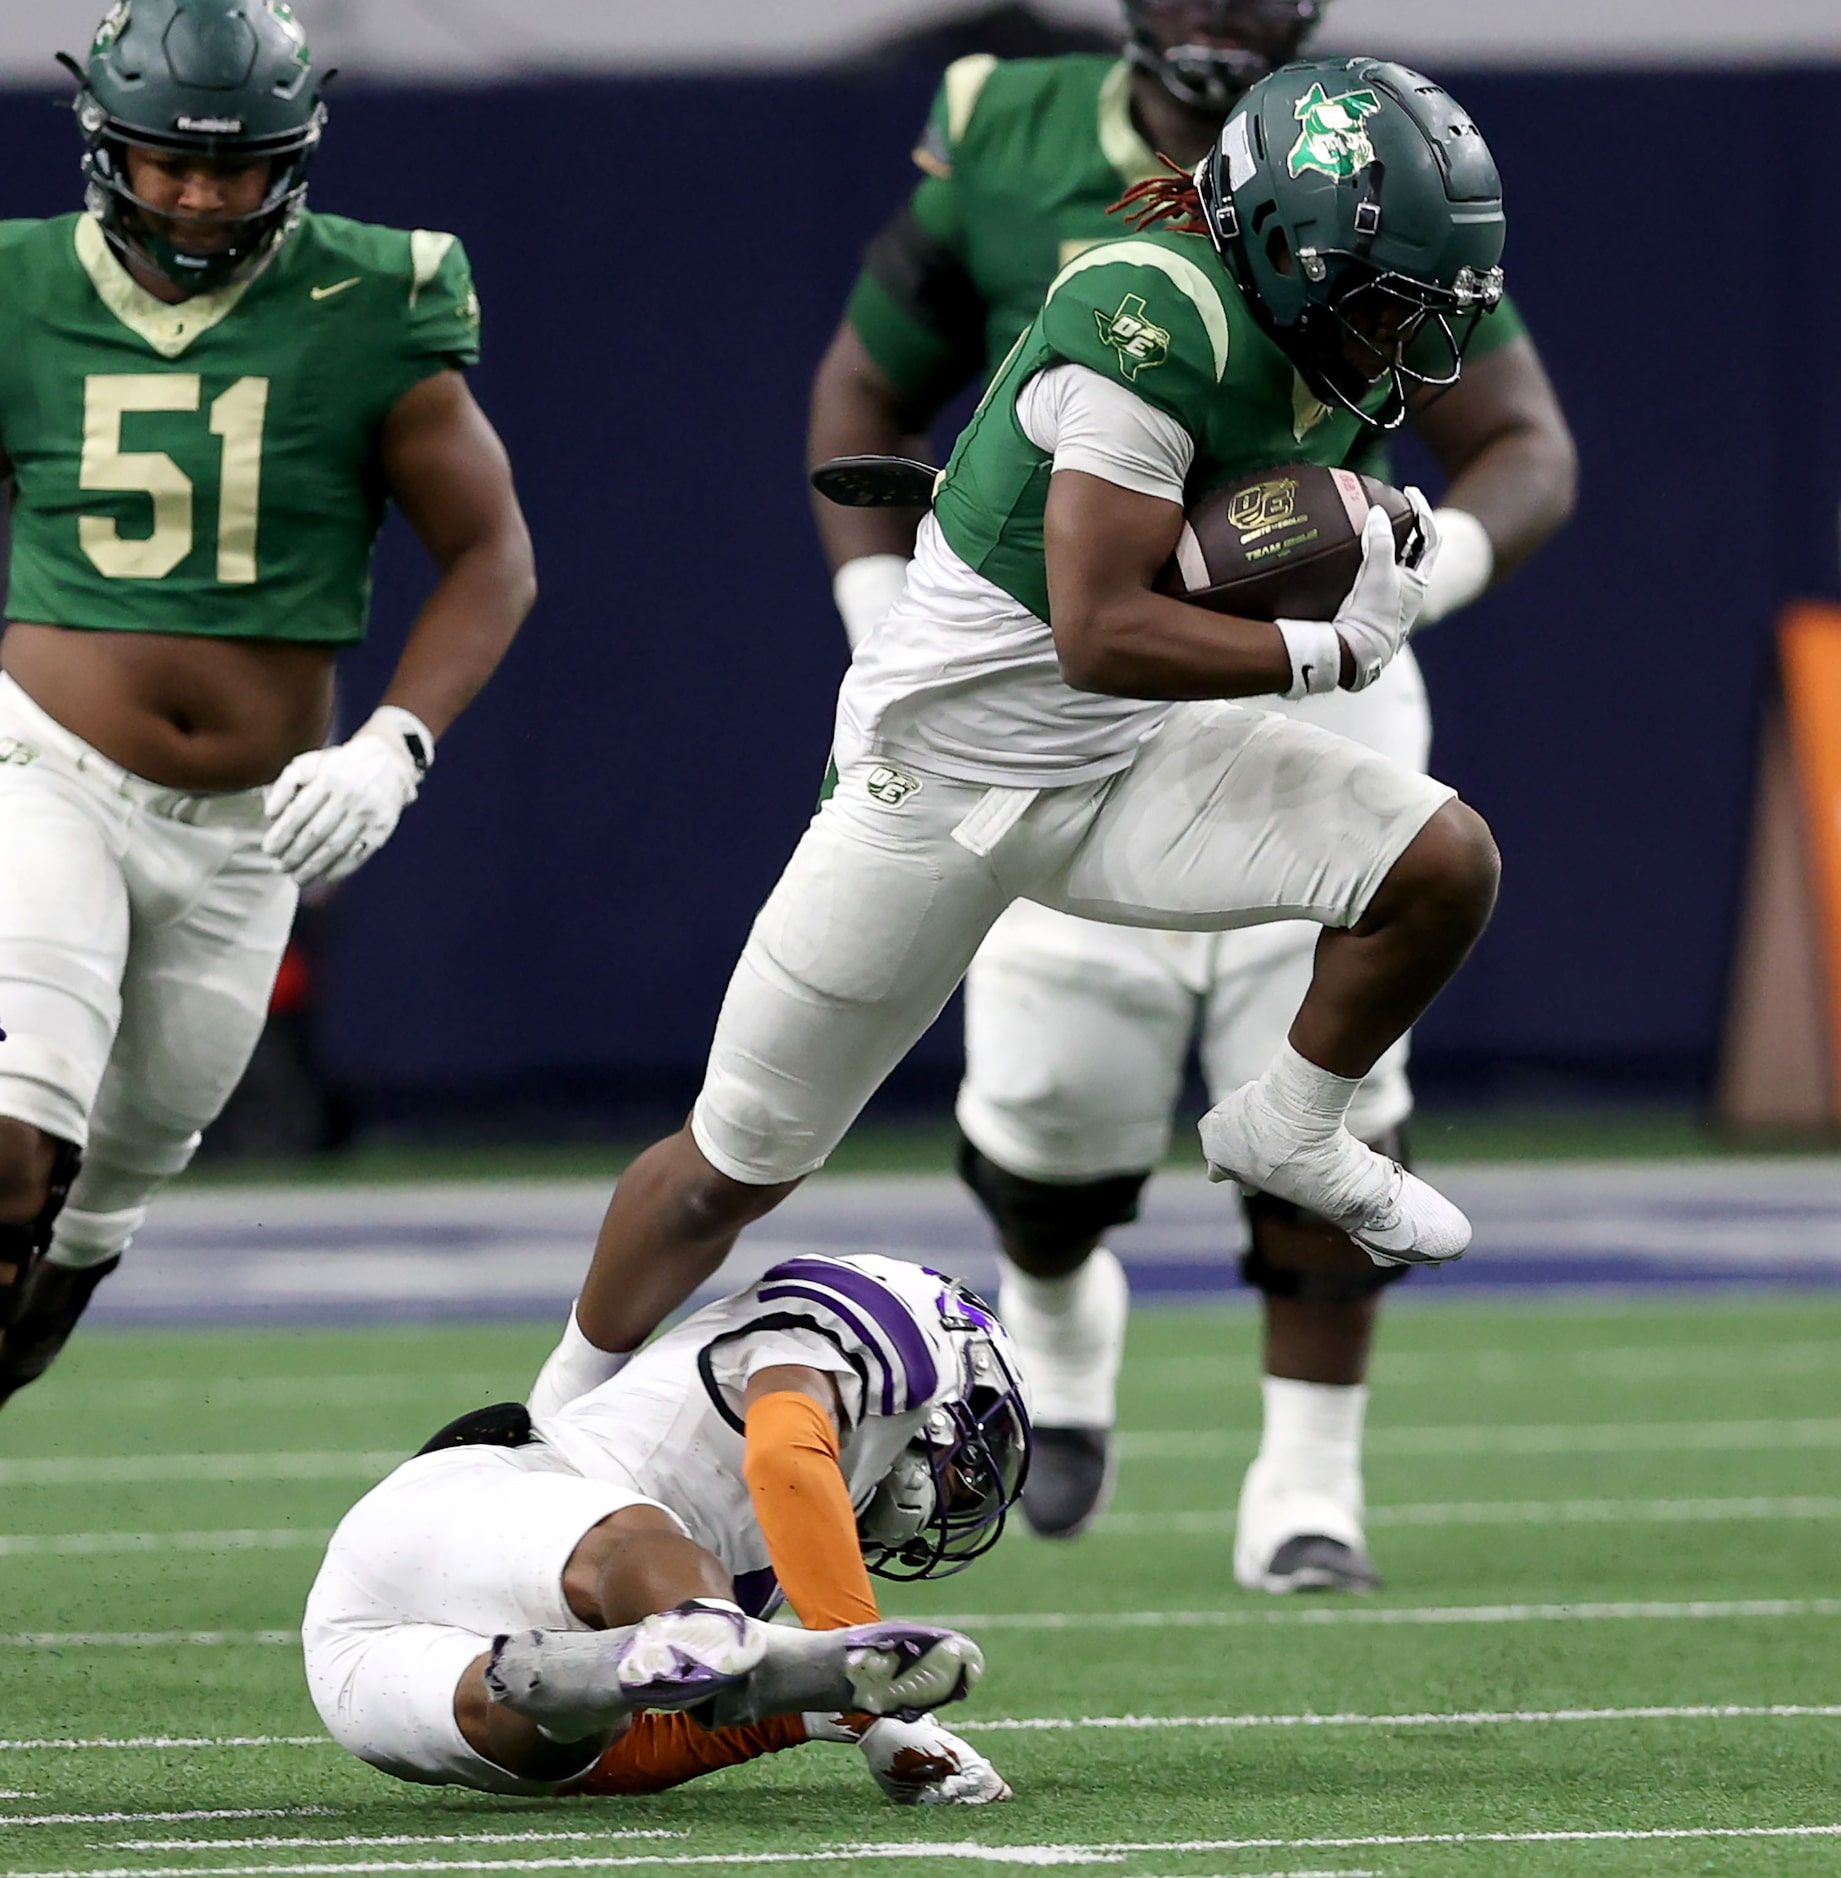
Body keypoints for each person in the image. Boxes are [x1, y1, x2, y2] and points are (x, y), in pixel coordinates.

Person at [529, 63, 1507, 1615]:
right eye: (1383, 300)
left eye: (1424, 303)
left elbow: (1182, 603)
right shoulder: (1146, 310)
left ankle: (1292, 1124)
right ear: (1272, 244)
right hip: (942, 790)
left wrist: (1370, 546)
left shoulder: (1296, 320)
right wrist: (1330, 645)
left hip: (1128, 771)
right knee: (732, 1166)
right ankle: (542, 1430)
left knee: (1441, 864)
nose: (1407, 339)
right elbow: (1103, 625)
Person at [807, 0, 1577, 1584]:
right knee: (1043, 1117)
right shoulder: (1013, 140)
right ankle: (1060, 1320)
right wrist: (890, 624)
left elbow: (1520, 437)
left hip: (1309, 673)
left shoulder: (1374, 160)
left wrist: (1407, 580)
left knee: (1333, 1083)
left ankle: (1307, 1489)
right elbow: (861, 399)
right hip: (1067, 686)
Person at [0, 0, 536, 1407]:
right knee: (12, 1138)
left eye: (233, 167)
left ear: (292, 158)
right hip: (45, 762)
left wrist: (397, 743)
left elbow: (491, 555)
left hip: (249, 831)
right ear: (103, 139)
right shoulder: (18, 285)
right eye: (167, 159)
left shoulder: (376, 295)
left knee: (103, 1200)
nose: (196, 192)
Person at [304, 1253, 1025, 1803]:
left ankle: (574, 1693)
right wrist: (854, 1659)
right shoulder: (908, 1326)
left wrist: (817, 1716)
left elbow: (627, 1758)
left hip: (349, 1657)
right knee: (647, 1551)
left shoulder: (768, 1565)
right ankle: (700, 1629)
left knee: (556, 1743)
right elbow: (782, 1445)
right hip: (467, 1509)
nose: (961, 1491)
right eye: (975, 1459)